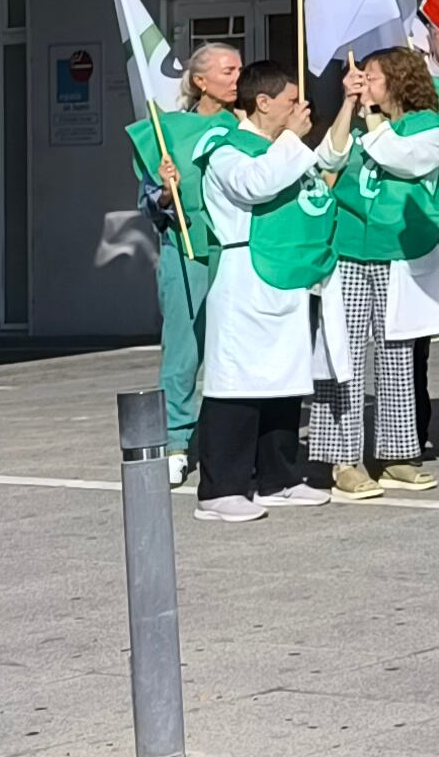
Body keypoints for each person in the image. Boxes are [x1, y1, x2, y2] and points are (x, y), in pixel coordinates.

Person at [304, 45, 439, 499]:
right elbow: (327, 160)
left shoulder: (430, 129)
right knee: (341, 353)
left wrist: (370, 118)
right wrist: (348, 106)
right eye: (360, 77)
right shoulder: (356, 119)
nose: (363, 83)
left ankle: (395, 454)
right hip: (348, 251)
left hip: (400, 257)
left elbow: (403, 158)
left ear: (399, 81)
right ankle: (342, 460)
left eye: (371, 77)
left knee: (396, 358)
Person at [189, 63, 333, 520]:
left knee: (284, 379)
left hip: (283, 272)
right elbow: (256, 184)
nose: (300, 109)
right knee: (237, 380)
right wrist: (293, 139)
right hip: (243, 271)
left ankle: (280, 477)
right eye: (291, 101)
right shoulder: (224, 148)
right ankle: (220, 488)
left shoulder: (281, 147)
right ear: (264, 102)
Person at [130, 40, 242, 486]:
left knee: (232, 351)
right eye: (228, 71)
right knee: (183, 351)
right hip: (185, 251)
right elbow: (147, 202)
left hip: (237, 252)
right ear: (200, 81)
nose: (238, 78)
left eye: (238, 70)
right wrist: (162, 189)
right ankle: (176, 441)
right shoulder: (166, 130)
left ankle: (228, 441)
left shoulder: (246, 127)